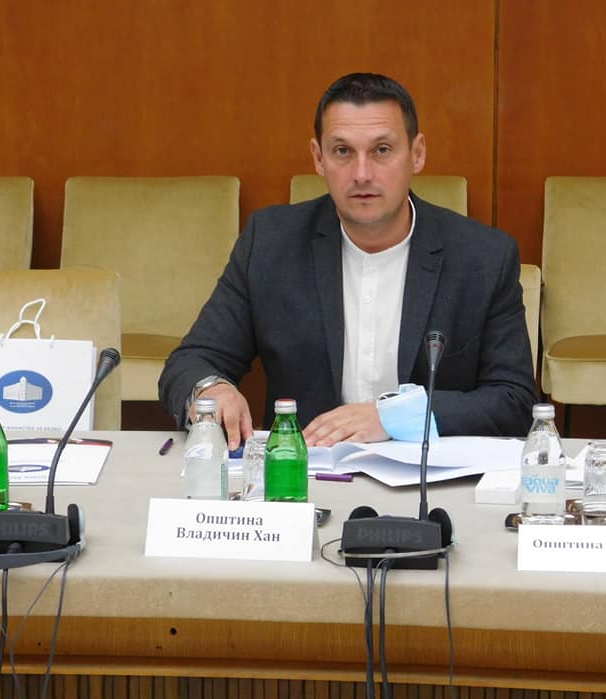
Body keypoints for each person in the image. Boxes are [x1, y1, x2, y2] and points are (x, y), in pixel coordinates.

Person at [159, 72, 537, 449]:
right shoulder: (271, 243)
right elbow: (192, 362)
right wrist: (212, 389)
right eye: (342, 151)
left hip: (429, 471)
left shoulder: (483, 257)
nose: (362, 174)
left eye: (382, 150)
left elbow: (514, 401)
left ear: (417, 154)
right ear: (318, 158)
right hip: (309, 471)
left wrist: (394, 417)